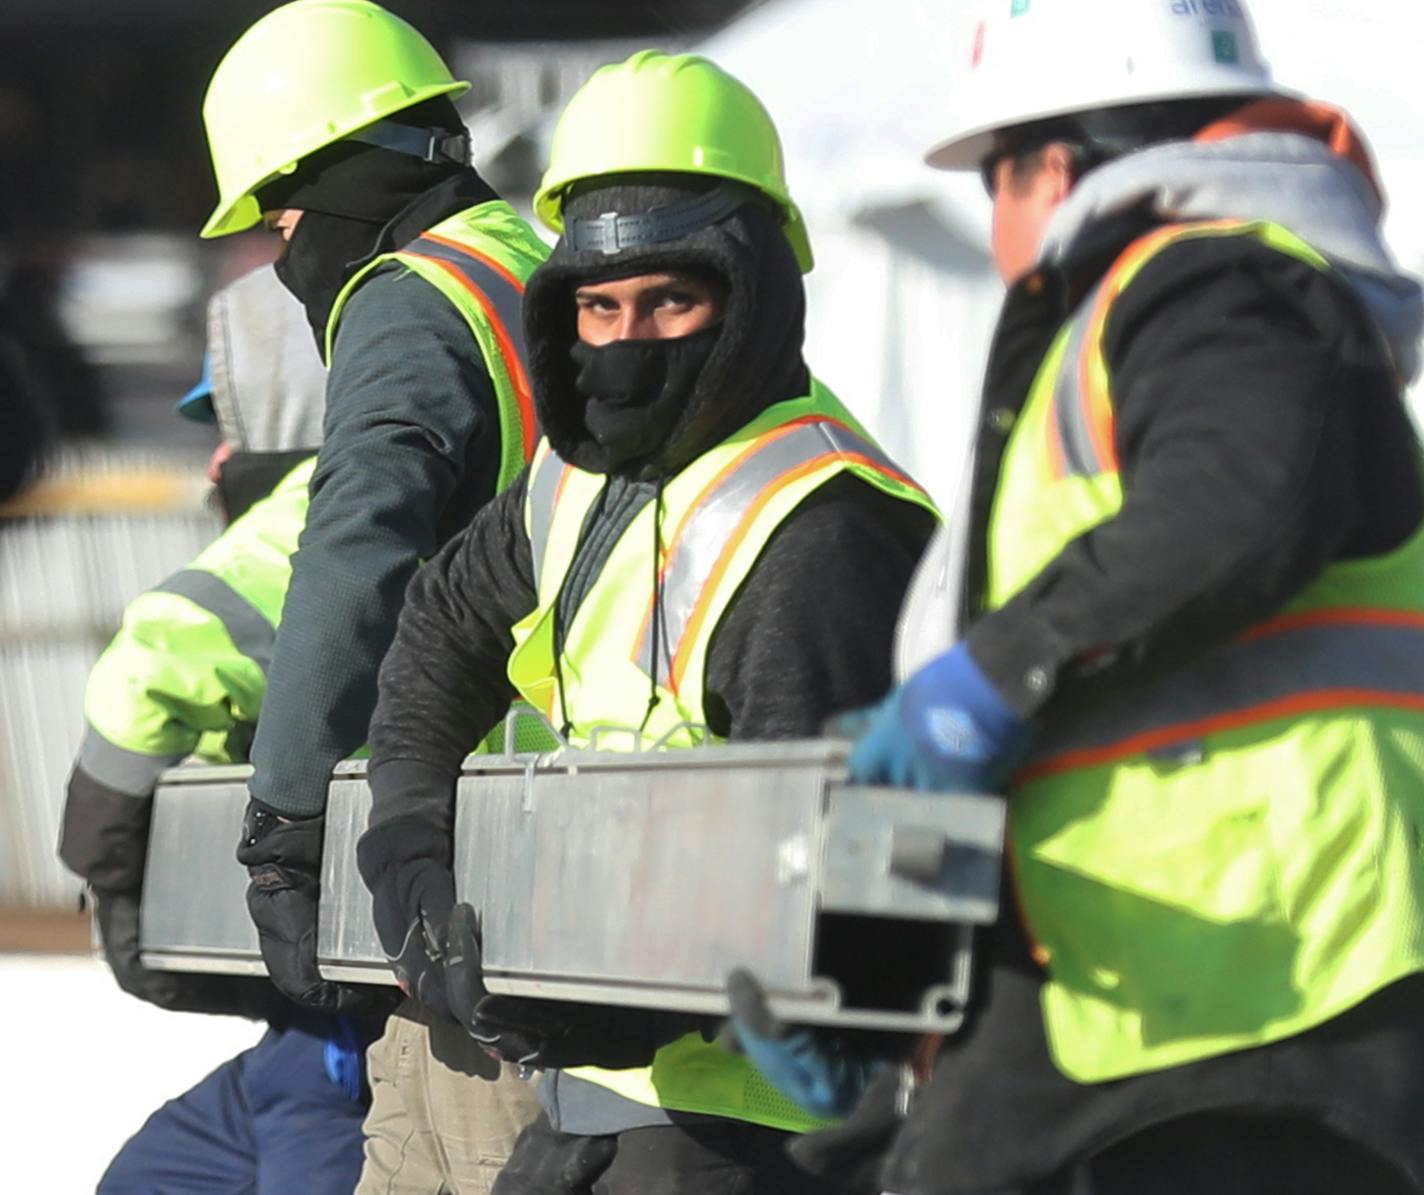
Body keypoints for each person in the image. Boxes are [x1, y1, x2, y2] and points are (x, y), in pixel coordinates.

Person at [768, 1, 1424, 1192]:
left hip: (1261, 974)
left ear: (1056, 165)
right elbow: (1027, 710)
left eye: (993, 187)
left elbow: (1237, 507)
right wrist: (864, 983)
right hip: (1139, 974)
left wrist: (983, 682)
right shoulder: (1137, 330)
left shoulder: (1219, 288)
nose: (997, 232)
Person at [354, 50, 941, 1195]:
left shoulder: (821, 527)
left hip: (762, 1132)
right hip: (604, 1102)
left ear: (755, 286)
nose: (626, 341)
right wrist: (410, 839)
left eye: (672, 300)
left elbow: (825, 898)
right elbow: (440, 630)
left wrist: (580, 987)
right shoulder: (578, 480)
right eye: (598, 304)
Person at [196, 0, 550, 1028]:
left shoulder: (409, 298)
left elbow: (359, 546)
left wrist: (284, 818)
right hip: (555, 807)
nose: (283, 242)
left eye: (280, 208)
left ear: (341, 169)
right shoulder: (522, 265)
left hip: (464, 840)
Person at [56, 266, 379, 1195]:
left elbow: (156, 662)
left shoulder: (340, 508)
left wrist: (114, 874)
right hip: (308, 1035)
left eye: (230, 430)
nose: (211, 465)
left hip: (359, 1037)